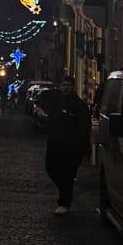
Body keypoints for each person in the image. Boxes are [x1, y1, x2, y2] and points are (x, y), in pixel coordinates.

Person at [34, 75, 91, 214]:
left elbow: (84, 126)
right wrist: (42, 114)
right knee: (51, 168)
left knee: (68, 173)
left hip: (71, 144)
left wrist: (81, 145)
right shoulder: (56, 100)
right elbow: (42, 102)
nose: (66, 88)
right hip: (55, 141)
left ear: (73, 87)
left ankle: (64, 201)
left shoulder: (78, 105)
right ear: (60, 86)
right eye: (64, 85)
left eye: (68, 85)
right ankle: (64, 192)